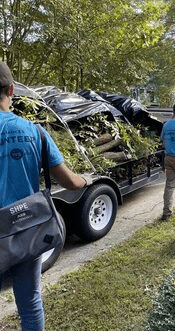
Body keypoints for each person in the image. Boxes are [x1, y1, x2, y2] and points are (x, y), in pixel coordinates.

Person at [0, 62, 92, 330]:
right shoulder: (36, 132)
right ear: (12, 90)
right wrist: (86, 178)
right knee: (30, 305)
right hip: (26, 230)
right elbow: (70, 181)